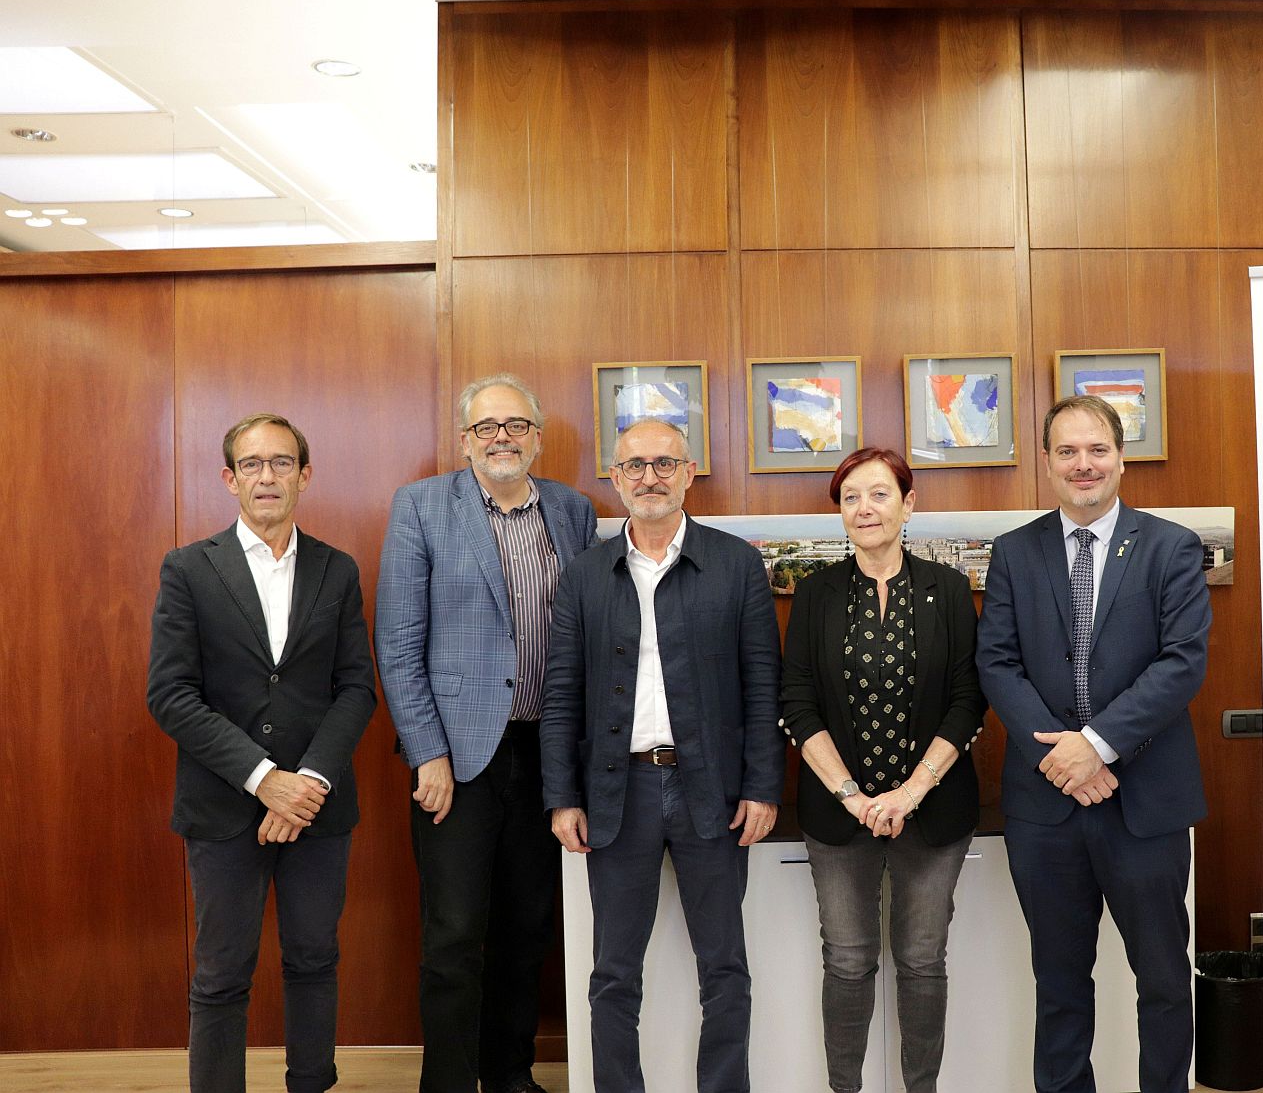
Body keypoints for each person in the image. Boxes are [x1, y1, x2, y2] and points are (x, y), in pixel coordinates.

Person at [540, 417, 785, 1093]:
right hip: (617, 795)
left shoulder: (734, 565)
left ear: (689, 472)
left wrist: (763, 787)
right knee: (613, 974)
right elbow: (560, 693)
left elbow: (763, 687)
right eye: (635, 466)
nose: (650, 477)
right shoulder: (585, 576)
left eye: (664, 463)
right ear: (614, 479)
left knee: (725, 968)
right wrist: (561, 796)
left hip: (715, 791)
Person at [975, 395, 1211, 1093]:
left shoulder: (1170, 546)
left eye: (1096, 449)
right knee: (1059, 983)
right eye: (1067, 452)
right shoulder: (1015, 553)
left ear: (1120, 457)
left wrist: (1097, 746)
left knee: (1164, 981)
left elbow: (1181, 663)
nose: (1084, 465)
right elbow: (997, 663)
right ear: (1047, 463)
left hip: (1146, 803)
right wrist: (1066, 759)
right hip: (1046, 809)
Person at [375, 373, 596, 1093]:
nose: (501, 437)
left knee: (527, 930)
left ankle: (509, 1076)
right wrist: (427, 753)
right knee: (453, 935)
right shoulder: (421, 507)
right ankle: (447, 1082)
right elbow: (399, 644)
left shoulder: (570, 510)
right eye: (486, 426)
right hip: (458, 759)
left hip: (546, 753)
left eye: (515, 425)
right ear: (464, 439)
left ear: (536, 435)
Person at [146, 413, 376, 1093]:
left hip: (316, 806)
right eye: (252, 464)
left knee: (313, 958)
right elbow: (170, 694)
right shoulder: (189, 568)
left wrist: (304, 783)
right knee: (221, 973)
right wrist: (263, 779)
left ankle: (312, 1083)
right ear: (230, 478)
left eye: (282, 463)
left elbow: (356, 688)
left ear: (304, 476)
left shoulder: (337, 570)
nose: (267, 477)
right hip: (222, 806)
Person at [777, 447, 984, 1093]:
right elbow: (796, 701)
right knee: (846, 961)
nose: (864, 509)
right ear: (839, 514)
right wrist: (849, 795)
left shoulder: (947, 590)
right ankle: (846, 1089)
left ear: (908, 504)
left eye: (878, 494)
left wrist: (910, 791)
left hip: (933, 810)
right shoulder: (814, 594)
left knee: (922, 961)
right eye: (850, 498)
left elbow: (967, 699)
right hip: (839, 815)